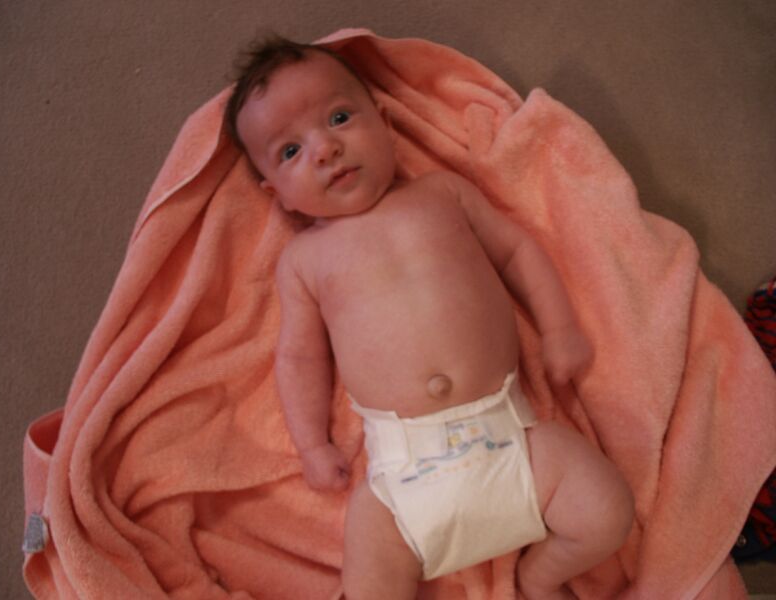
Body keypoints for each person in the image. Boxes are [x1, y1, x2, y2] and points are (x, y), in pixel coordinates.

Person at [225, 36, 634, 600]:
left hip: (510, 436)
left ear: (385, 122)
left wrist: (560, 329)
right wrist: (312, 446)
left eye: (339, 118)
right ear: (279, 195)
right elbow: (298, 357)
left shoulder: (442, 195)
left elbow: (517, 252)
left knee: (608, 511)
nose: (325, 149)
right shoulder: (304, 261)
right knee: (368, 575)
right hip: (402, 475)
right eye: (291, 151)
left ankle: (540, 577)